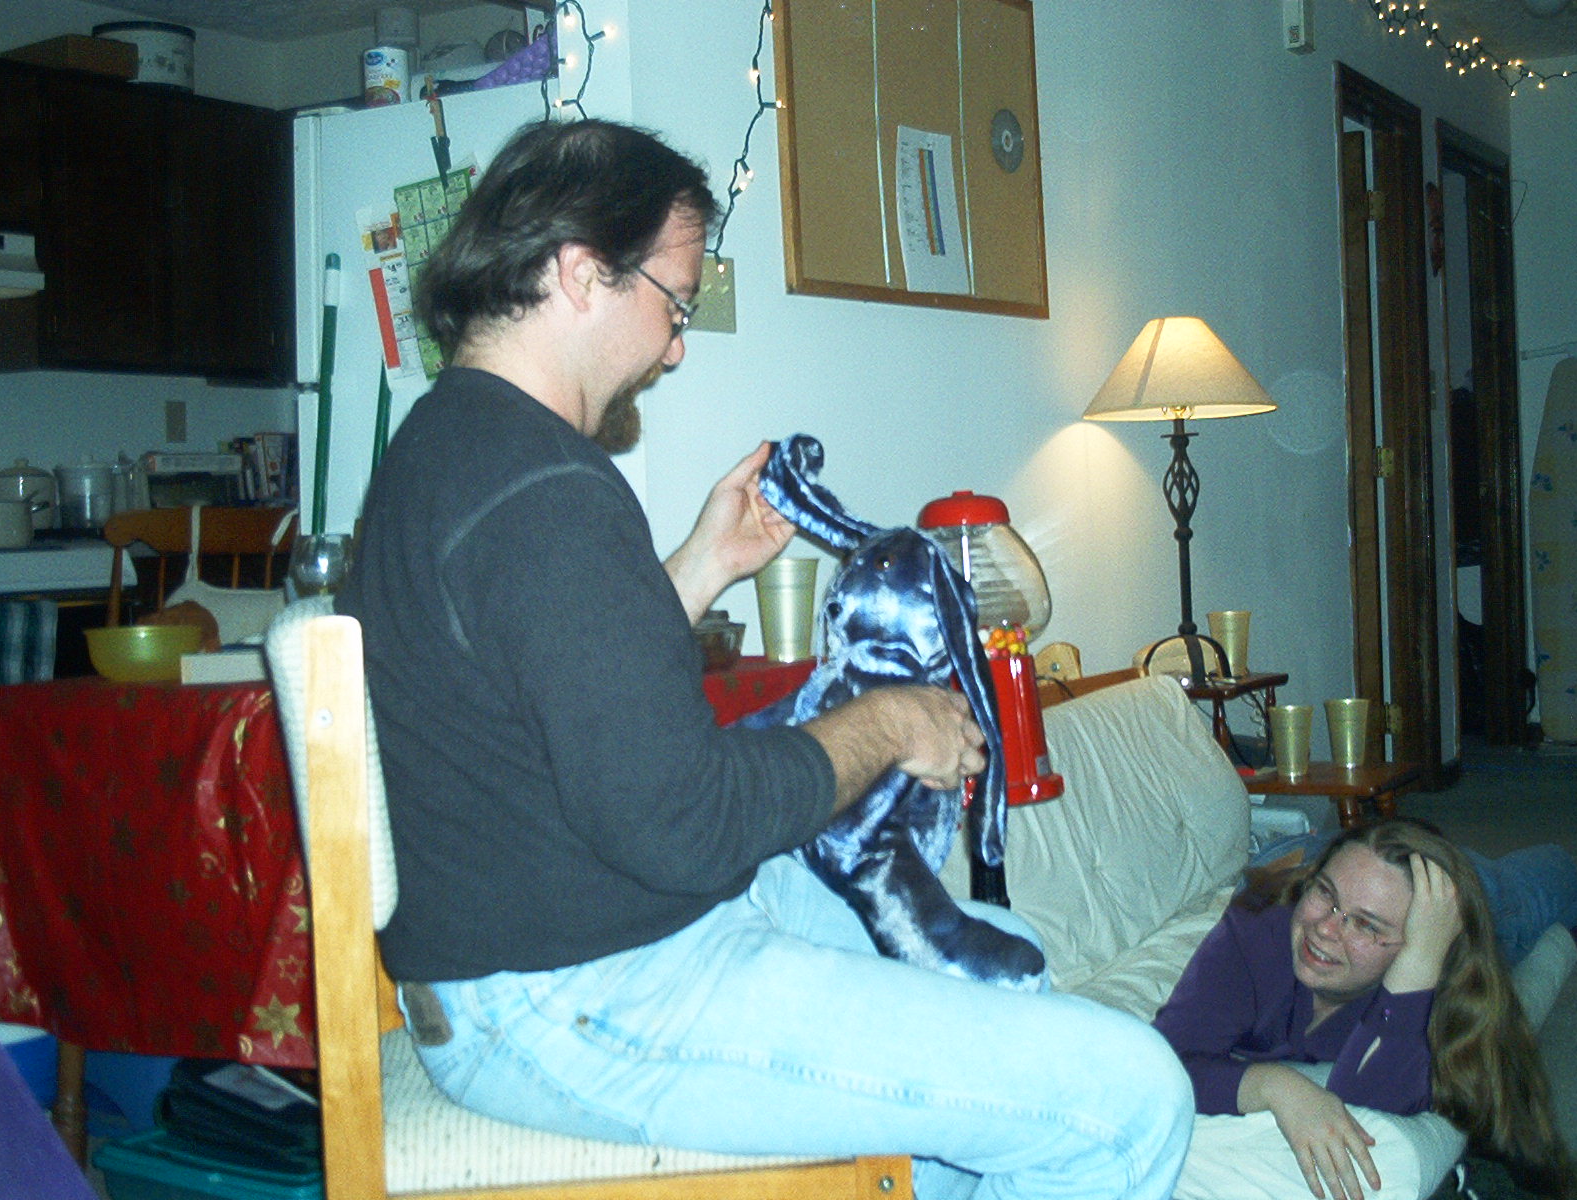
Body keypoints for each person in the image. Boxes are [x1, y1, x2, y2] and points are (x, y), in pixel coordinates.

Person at [336, 117, 1191, 1200]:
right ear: (580, 273)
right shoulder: (541, 491)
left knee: (1000, 948)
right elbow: (685, 819)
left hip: (568, 943)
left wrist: (700, 567)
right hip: (579, 996)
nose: (675, 348)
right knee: (1132, 1100)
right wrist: (890, 724)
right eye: (674, 304)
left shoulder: (452, 448)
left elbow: (551, 699)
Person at [1153, 819, 1577, 1200]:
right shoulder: (1257, 926)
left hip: (1437, 886)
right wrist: (1272, 1085)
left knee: (1534, 891)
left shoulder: (1434, 962)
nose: (1326, 929)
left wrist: (1418, 964)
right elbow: (1159, 1067)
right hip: (1312, 856)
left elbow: (1380, 1108)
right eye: (1324, 895)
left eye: (1366, 925)